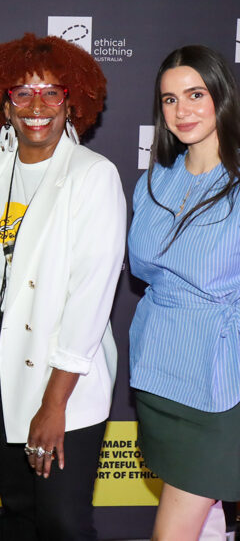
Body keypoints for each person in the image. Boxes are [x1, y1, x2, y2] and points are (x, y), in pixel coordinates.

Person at [0, 33, 125, 540]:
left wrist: (54, 405)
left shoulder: (94, 176)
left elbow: (90, 298)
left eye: (53, 92)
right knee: (18, 509)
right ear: (2, 104)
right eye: (22, 93)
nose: (37, 106)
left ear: (74, 103)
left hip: (59, 364)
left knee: (62, 520)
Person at [129, 45, 240, 540]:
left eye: (196, 94)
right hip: (158, 373)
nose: (183, 110)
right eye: (170, 100)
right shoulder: (152, 182)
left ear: (222, 97)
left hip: (219, 387)